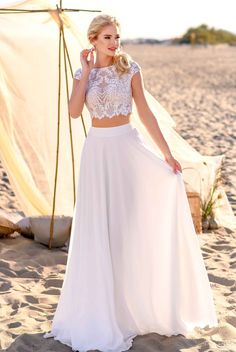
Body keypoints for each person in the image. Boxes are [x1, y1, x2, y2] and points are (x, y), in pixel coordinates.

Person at [44, 14, 218, 352]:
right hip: (97, 155)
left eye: (116, 36)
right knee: (100, 230)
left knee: (127, 229)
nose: (113, 42)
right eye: (107, 37)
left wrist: (166, 154)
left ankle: (134, 308)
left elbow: (145, 113)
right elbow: (75, 111)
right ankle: (105, 311)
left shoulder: (130, 69)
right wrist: (86, 73)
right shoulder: (84, 73)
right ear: (93, 40)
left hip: (128, 149)